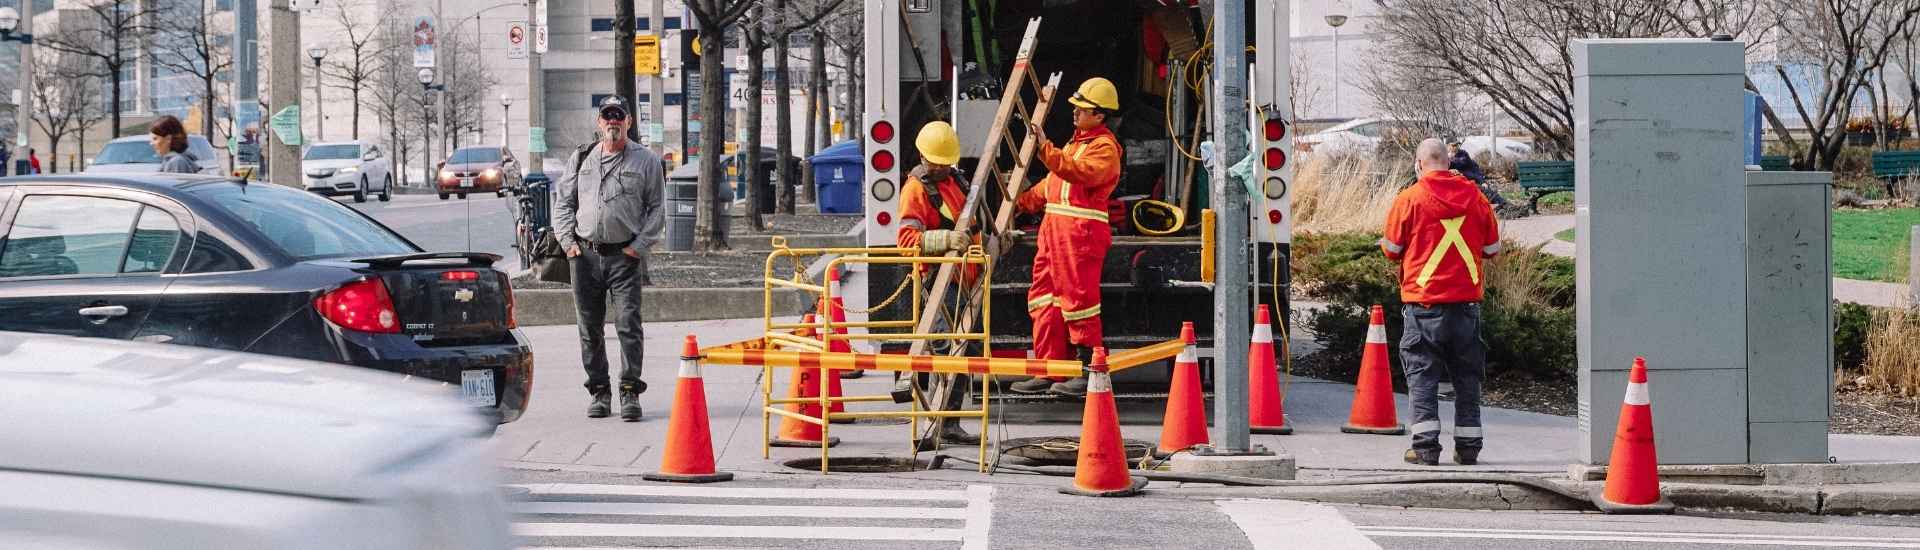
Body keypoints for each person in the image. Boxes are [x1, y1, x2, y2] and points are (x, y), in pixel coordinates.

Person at [1380, 138, 1501, 466]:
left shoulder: (1409, 199)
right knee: (1466, 377)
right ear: (1447, 163)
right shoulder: (1476, 197)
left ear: (1419, 165)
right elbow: (1492, 250)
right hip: (1465, 307)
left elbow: (1391, 250)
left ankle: (1425, 449)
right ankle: (1469, 448)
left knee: (1422, 374)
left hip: (1424, 306)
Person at [551, 95, 666, 421]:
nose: (613, 122)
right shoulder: (582, 157)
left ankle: (630, 392)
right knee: (589, 329)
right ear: (599, 122)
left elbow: (657, 209)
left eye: (619, 116)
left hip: (624, 258)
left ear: (629, 121)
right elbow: (563, 202)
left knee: (629, 326)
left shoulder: (646, 161)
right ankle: (599, 392)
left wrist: (638, 247)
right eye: (607, 116)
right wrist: (568, 242)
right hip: (584, 256)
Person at [1007, 76, 1124, 397]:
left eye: (1081, 108)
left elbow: (1076, 173)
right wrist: (1017, 203)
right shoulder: (1077, 145)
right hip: (1055, 236)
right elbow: (1051, 188)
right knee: (1044, 300)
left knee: (1079, 302)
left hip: (1080, 237)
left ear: (1099, 115)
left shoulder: (1104, 149)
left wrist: (1045, 148)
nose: (1074, 112)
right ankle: (1049, 369)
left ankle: (1089, 371)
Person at [896, 121, 981, 447]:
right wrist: (946, 239)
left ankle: (950, 423)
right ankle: (936, 423)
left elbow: (970, 226)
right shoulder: (916, 190)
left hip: (966, 277)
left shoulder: (956, 181)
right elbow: (906, 240)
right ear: (923, 156)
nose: (941, 167)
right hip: (939, 280)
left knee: (965, 347)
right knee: (945, 347)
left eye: (945, 162)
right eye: (936, 161)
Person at [1448, 140, 1511, 210]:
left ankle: (1503, 204)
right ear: (1448, 146)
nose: (1455, 147)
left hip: (1474, 179)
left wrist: (1482, 182)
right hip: (1463, 182)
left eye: (1457, 145)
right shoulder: (1446, 156)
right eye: (1453, 145)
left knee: (1487, 192)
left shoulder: (1463, 154)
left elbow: (1461, 163)